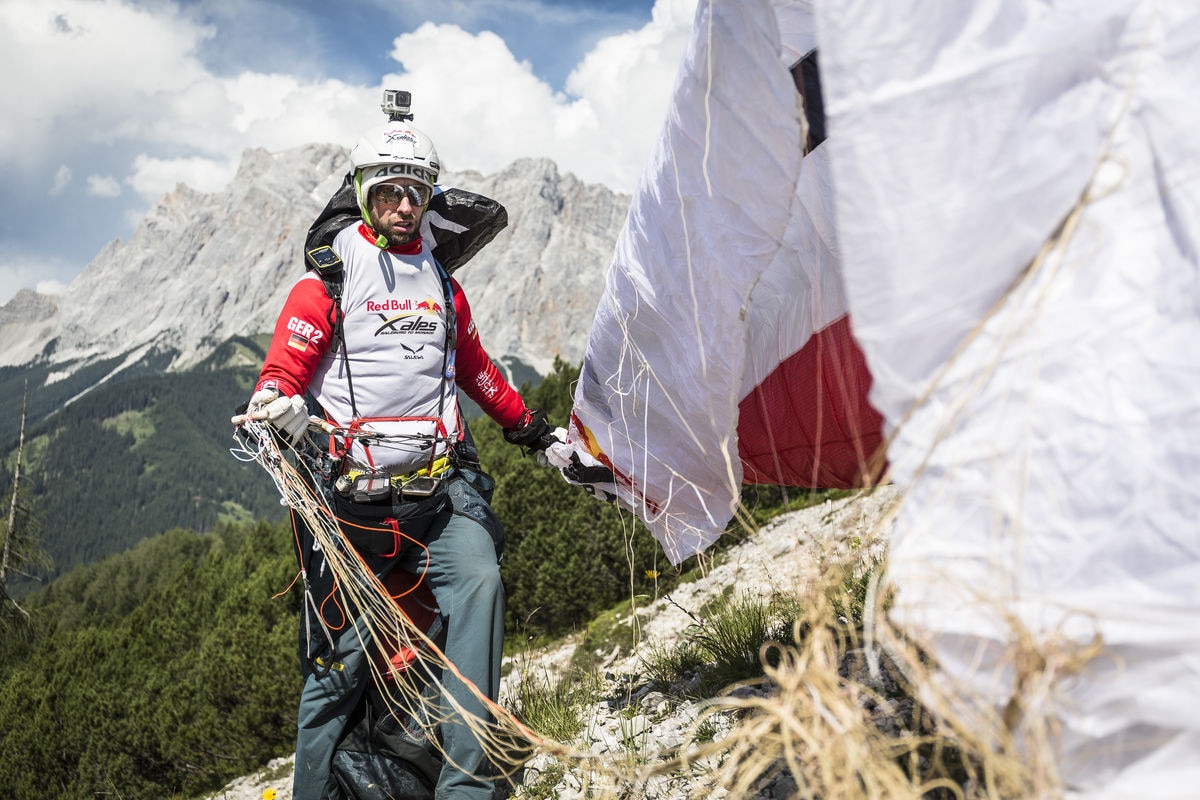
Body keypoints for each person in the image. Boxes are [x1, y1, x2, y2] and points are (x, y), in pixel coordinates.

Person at [236, 111, 559, 800]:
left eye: (416, 190)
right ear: (362, 192)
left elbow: (479, 375)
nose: (405, 204)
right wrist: (278, 407)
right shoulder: (326, 284)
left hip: (440, 498)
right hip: (351, 510)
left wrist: (538, 434)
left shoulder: (444, 286)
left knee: (479, 584)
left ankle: (467, 788)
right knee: (336, 670)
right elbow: (279, 376)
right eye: (389, 190)